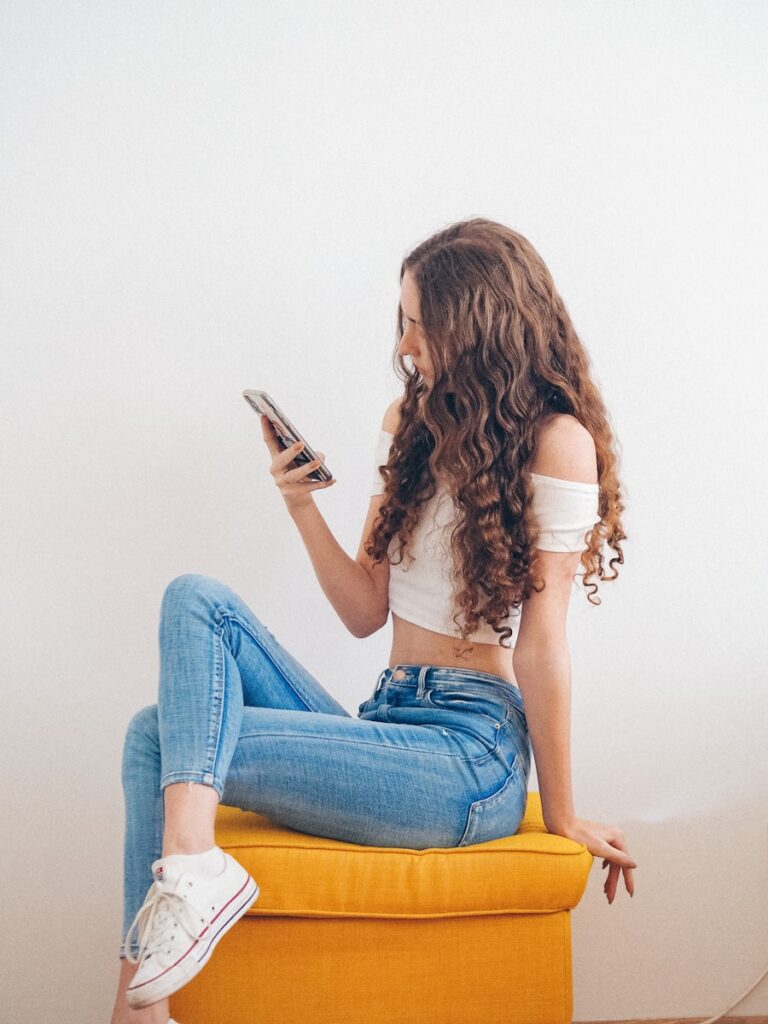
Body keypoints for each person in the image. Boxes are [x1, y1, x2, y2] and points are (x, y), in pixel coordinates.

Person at [110, 217, 637, 1023]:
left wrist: (561, 811)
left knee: (175, 736)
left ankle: (182, 891)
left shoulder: (558, 443)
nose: (406, 341)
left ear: (477, 322)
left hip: (468, 756)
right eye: (403, 319)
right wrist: (300, 505)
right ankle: (146, 998)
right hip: (389, 720)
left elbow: (543, 646)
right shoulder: (412, 423)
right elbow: (365, 611)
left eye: (418, 321)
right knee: (190, 609)